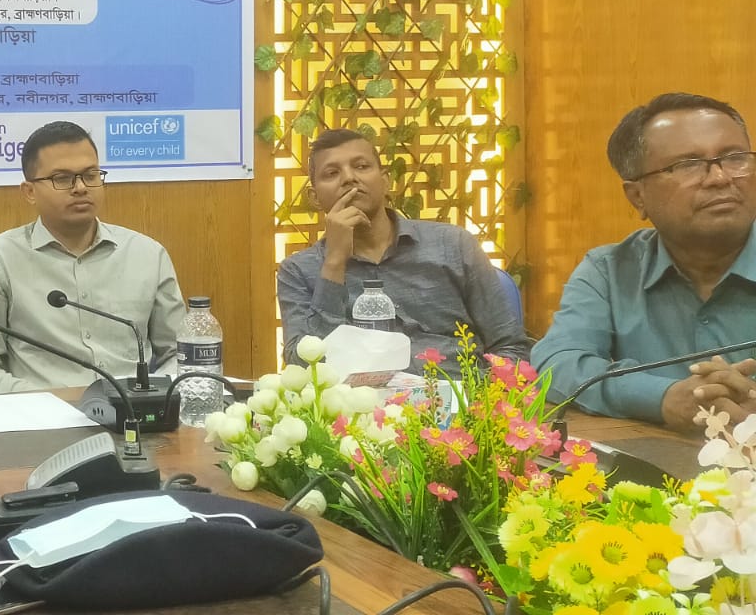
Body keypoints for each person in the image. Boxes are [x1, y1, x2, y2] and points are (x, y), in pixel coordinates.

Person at [535, 93, 756, 429]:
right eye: (688, 165)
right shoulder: (609, 272)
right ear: (637, 196)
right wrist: (662, 397)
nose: (720, 178)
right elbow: (557, 363)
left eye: (735, 158)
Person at [0, 121, 186, 396]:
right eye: (62, 179)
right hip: (41, 416)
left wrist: (150, 395)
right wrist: (45, 401)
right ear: (29, 192)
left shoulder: (147, 254)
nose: (80, 187)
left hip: (135, 412)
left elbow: (181, 354)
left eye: (90, 175)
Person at [276, 129, 531, 371]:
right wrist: (334, 261)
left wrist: (483, 396)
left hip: (460, 393)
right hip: (361, 401)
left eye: (361, 166)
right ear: (314, 197)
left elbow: (510, 347)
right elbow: (304, 368)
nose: (349, 178)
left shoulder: (453, 244)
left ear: (385, 181)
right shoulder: (298, 271)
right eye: (332, 173)